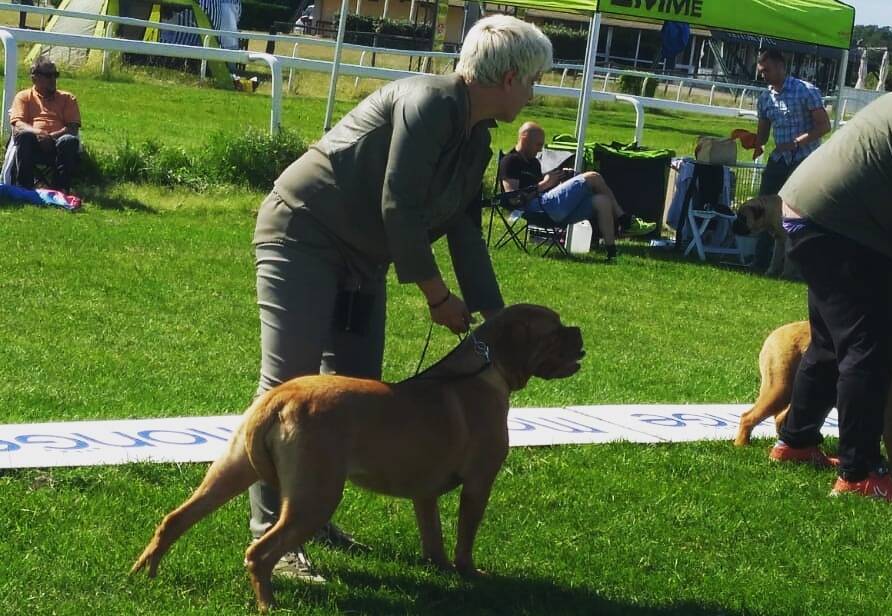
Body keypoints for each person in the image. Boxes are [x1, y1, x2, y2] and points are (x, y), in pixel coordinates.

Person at [248, 14, 553, 580]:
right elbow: (398, 205)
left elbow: (463, 228)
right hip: (305, 232)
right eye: (534, 79)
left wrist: (500, 320)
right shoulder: (432, 102)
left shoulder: (476, 136)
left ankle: (310, 514)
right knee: (290, 384)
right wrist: (437, 296)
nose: (535, 91)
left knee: (358, 393)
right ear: (509, 76)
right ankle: (274, 534)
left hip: (363, 257)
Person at [768, 90, 892, 502]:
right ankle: (859, 472)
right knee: (869, 345)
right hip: (844, 223)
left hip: (809, 207)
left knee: (827, 343)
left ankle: (796, 441)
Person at [499, 122, 656, 262]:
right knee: (593, 177)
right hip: (534, 209)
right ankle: (624, 221)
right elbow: (513, 199)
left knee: (602, 201)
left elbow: (541, 188)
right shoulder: (510, 161)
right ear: (524, 139)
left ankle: (612, 253)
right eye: (538, 144)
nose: (540, 149)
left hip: (549, 207)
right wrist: (544, 184)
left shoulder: (533, 163)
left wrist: (559, 182)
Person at [751, 48, 831, 270]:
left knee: (798, 212)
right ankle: (760, 261)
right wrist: (755, 143)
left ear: (779, 66)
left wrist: (797, 142)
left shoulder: (806, 91)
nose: (763, 75)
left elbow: (824, 126)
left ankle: (798, 263)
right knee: (763, 208)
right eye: (761, 70)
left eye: (765, 70)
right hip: (779, 159)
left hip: (804, 160)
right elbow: (764, 133)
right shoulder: (765, 97)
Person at [8, 57, 81, 193]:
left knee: (69, 140)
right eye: (48, 75)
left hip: (58, 142)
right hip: (32, 142)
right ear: (34, 78)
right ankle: (25, 189)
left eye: (55, 75)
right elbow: (18, 123)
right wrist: (39, 133)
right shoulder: (24, 97)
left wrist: (50, 136)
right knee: (24, 136)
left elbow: (72, 128)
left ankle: (60, 191)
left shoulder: (68, 98)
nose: (53, 79)